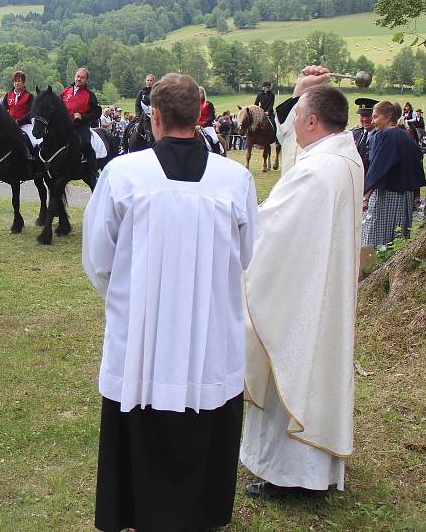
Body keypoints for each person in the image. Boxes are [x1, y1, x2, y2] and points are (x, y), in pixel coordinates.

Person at [83, 72, 258, 532]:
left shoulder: (122, 174)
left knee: (141, 410)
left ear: (154, 117)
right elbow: (245, 255)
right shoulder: (235, 179)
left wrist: (132, 298)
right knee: (204, 412)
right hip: (209, 335)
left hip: (141, 336)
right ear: (200, 112)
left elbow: (98, 259)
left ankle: (136, 509)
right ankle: (200, 512)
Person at [240, 65, 363, 499]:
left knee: (294, 363)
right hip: (320, 287)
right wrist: (301, 90)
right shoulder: (343, 155)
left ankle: (292, 474)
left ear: (312, 121)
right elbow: (294, 154)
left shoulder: (318, 171)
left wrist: (236, 225)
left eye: (297, 115)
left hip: (303, 296)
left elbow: (270, 226)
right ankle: (312, 469)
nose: (289, 124)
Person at [361, 100, 426, 247]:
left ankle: (372, 268)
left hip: (386, 197)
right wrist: (416, 195)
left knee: (375, 240)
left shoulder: (388, 136)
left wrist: (366, 196)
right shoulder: (404, 136)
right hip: (404, 197)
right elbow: (417, 165)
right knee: (397, 238)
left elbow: (379, 167)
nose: (372, 121)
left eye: (375, 117)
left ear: (388, 116)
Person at [61, 67, 102, 173]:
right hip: (65, 127)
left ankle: (93, 173)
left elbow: (97, 112)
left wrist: (82, 117)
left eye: (82, 77)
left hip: (80, 126)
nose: (79, 79)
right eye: (78, 76)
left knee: (87, 144)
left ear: (86, 80)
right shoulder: (65, 92)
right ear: (75, 76)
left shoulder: (89, 94)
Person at [1, 70, 36, 160]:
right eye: (15, 81)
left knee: (32, 141)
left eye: (19, 81)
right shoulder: (8, 95)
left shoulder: (29, 96)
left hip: (25, 125)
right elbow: (3, 110)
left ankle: (31, 156)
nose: (17, 83)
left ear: (23, 83)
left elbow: (32, 112)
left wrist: (20, 122)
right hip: (10, 124)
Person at [350, 97, 379, 175]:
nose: (365, 119)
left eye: (368, 116)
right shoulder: (355, 133)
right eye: (362, 116)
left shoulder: (380, 136)